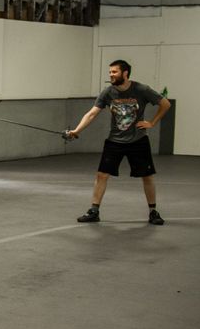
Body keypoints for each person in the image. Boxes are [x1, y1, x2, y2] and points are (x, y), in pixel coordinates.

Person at [65, 59, 170, 225]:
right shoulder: (108, 92)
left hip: (138, 140)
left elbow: (165, 104)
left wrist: (152, 122)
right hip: (114, 141)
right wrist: (76, 130)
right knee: (101, 175)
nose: (111, 75)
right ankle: (94, 211)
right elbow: (92, 113)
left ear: (125, 73)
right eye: (110, 72)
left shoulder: (141, 89)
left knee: (147, 176)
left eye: (114, 72)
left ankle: (153, 212)